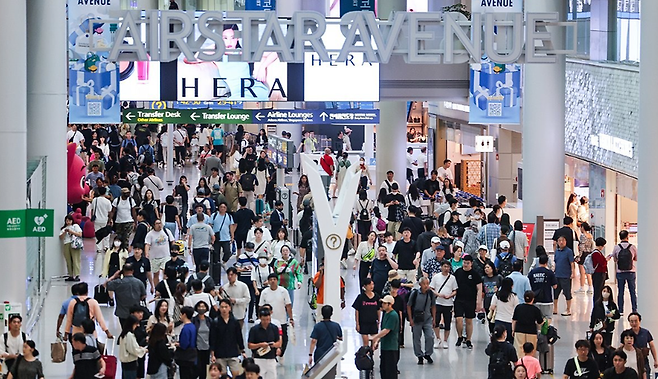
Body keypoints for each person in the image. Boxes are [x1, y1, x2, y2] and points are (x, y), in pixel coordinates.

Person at [258, 274, 293, 357]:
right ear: (268, 281)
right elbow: (260, 306)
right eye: (271, 279)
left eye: (274, 279)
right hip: (269, 320)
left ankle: (281, 353)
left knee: (284, 338)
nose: (272, 281)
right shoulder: (265, 292)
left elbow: (288, 305)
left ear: (277, 281)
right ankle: (273, 354)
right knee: (270, 338)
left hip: (281, 319)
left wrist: (291, 318)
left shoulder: (283, 291)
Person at [453, 255, 483, 349]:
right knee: (459, 319)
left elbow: (479, 288)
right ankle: (460, 336)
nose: (465, 265)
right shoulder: (458, 272)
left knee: (469, 320)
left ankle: (468, 339)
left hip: (470, 300)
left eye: (467, 263)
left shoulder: (475, 274)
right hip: (459, 299)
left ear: (471, 264)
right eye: (464, 263)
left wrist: (479, 302)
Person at [210, 299, 245, 376]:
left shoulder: (235, 322)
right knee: (223, 376)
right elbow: (212, 339)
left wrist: (243, 351)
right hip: (220, 353)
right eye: (222, 307)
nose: (224, 309)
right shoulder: (215, 322)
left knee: (236, 374)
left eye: (226, 307)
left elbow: (239, 337)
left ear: (230, 308)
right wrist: (212, 354)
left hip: (233, 353)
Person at [429, 260, 457, 349]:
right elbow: (431, 289)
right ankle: (438, 338)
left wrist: (450, 295)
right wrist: (438, 294)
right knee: (436, 322)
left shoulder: (452, 278)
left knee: (447, 323)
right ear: (441, 267)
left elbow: (455, 290)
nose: (446, 269)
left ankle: (445, 340)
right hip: (437, 303)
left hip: (448, 304)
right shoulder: (436, 277)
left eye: (448, 267)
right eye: (444, 266)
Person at [370, 295, 400, 379]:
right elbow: (383, 329)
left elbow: (387, 330)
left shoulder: (393, 315)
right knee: (384, 369)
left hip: (391, 347)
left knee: (390, 370)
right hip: (385, 346)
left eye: (384, 303)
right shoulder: (386, 314)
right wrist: (377, 341)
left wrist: (374, 337)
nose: (382, 304)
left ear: (390, 304)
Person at [308, 305, 343, 377]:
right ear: (331, 313)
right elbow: (341, 338)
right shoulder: (336, 326)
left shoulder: (317, 326)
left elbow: (313, 341)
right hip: (332, 354)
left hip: (320, 354)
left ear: (321, 313)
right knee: (331, 374)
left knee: (319, 374)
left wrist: (310, 355)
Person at [408, 277, 436, 364]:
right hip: (417, 319)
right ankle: (419, 355)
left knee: (430, 336)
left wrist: (434, 319)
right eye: (424, 284)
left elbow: (433, 306)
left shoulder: (430, 294)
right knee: (416, 338)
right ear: (420, 284)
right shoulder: (415, 293)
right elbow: (409, 306)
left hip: (427, 318)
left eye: (427, 284)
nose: (426, 286)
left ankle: (428, 354)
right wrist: (410, 319)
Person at [248, 307, 280, 379]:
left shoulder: (274, 328)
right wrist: (260, 345)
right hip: (259, 359)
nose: (266, 322)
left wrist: (274, 345)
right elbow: (250, 345)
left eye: (268, 319)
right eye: (264, 320)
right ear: (260, 318)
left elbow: (278, 342)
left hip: (271, 358)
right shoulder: (254, 330)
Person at [610, 230, 638, 314]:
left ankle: (621, 310)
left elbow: (615, 259)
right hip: (631, 272)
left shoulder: (616, 247)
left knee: (620, 291)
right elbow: (636, 258)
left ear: (619, 237)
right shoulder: (632, 247)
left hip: (620, 272)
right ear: (627, 237)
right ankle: (634, 309)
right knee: (632, 291)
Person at [512, 291, 545, 358]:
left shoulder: (518, 307)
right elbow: (540, 322)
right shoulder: (535, 309)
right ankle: (529, 364)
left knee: (519, 349)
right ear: (533, 299)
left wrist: (513, 330)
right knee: (531, 350)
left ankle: (520, 365)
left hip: (519, 330)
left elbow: (514, 320)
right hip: (531, 331)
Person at [626, 312, 658, 378]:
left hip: (644, 360)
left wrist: (655, 360)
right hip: (631, 360)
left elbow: (652, 346)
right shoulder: (627, 334)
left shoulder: (645, 332)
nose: (634, 323)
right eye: (631, 321)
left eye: (635, 321)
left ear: (639, 321)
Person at [528, 254, 558, 320]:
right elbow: (555, 286)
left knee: (535, 319)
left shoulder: (532, 272)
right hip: (547, 300)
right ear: (547, 262)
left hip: (535, 299)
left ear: (539, 262)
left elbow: (528, 284)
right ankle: (545, 330)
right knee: (547, 319)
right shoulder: (550, 273)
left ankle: (537, 330)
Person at [352, 278, 381, 347]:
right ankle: (365, 355)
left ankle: (371, 355)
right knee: (365, 343)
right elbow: (357, 310)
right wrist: (357, 323)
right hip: (364, 322)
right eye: (369, 284)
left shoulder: (376, 297)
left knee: (374, 342)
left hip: (373, 322)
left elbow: (378, 309)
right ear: (365, 286)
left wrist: (379, 320)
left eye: (372, 284)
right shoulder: (361, 297)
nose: (371, 286)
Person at [490, 277, 519, 343]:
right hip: (509, 322)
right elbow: (516, 309)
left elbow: (492, 307)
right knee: (510, 341)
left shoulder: (496, 295)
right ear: (511, 286)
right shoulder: (513, 296)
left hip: (498, 320)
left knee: (498, 340)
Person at [553, 235, 575, 316]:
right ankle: (555, 308)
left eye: (563, 240)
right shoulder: (557, 251)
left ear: (565, 241)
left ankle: (568, 309)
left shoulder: (569, 251)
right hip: (557, 275)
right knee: (555, 293)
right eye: (559, 241)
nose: (561, 242)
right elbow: (556, 262)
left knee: (567, 293)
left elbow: (571, 263)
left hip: (566, 275)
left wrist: (573, 272)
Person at [174, 307, 197, 379]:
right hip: (192, 355)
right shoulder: (193, 326)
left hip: (185, 357)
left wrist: (177, 344)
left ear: (184, 314)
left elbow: (184, 344)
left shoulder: (186, 328)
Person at [192, 301, 213, 379]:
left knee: (204, 370)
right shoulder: (193, 320)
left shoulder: (209, 320)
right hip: (196, 348)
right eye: (200, 306)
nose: (201, 308)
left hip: (207, 348)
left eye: (203, 306)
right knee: (197, 368)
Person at [59, 214, 83, 281]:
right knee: (68, 260)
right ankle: (70, 275)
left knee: (75, 259)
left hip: (74, 243)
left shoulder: (75, 226)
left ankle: (77, 275)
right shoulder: (64, 229)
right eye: (67, 221)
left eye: (69, 220)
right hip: (66, 244)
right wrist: (65, 232)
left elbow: (80, 234)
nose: (68, 222)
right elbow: (61, 237)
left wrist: (71, 232)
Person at [90, 187, 113, 253]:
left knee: (97, 233)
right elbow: (109, 212)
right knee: (106, 234)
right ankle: (106, 247)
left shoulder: (95, 200)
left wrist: (92, 218)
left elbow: (92, 210)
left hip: (97, 220)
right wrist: (110, 220)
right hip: (105, 220)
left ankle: (99, 248)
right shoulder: (107, 201)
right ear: (105, 192)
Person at [576, 222, 594, 293]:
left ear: (582, 228)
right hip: (589, 253)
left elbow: (582, 247)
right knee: (588, 272)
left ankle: (582, 287)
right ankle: (590, 287)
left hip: (583, 254)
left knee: (582, 272)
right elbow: (592, 246)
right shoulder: (590, 236)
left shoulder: (583, 236)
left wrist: (579, 256)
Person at [590, 237, 608, 304]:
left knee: (598, 290)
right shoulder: (596, 253)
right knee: (598, 290)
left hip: (598, 273)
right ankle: (597, 305)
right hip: (598, 274)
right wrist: (606, 260)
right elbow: (602, 263)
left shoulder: (597, 253)